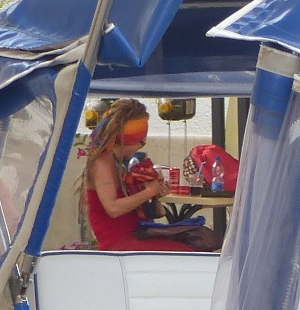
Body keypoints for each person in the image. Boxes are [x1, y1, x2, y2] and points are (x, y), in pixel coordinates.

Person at [83, 99, 220, 253]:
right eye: (141, 142)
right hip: (118, 241)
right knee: (186, 253)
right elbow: (113, 208)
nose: (141, 147)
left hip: (135, 234)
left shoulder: (115, 163)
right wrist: (149, 191)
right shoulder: (102, 163)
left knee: (199, 240)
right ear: (127, 140)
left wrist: (149, 189)